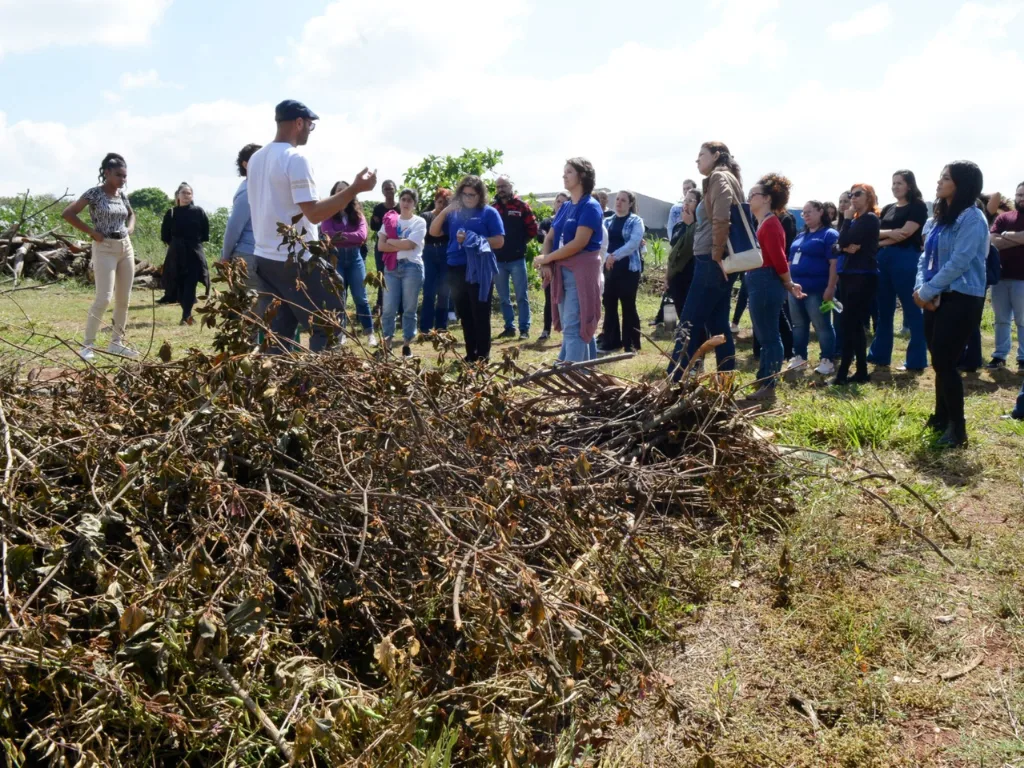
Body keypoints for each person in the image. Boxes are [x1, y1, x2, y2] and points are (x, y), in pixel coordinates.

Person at [246, 99, 377, 352]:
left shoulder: (256, 159)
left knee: (279, 332)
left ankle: (276, 382)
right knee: (328, 320)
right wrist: (354, 189)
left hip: (264, 257)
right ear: (298, 123)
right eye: (309, 125)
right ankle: (320, 384)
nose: (309, 130)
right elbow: (315, 213)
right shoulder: (295, 159)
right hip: (295, 259)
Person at [914, 162, 988, 448]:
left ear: (961, 183)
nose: (939, 181)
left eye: (946, 178)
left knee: (946, 360)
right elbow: (925, 258)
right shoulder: (936, 220)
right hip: (934, 295)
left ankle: (958, 429)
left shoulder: (973, 218)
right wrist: (921, 289)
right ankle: (940, 417)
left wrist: (930, 289)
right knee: (938, 361)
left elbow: (961, 260)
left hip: (962, 296)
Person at [667, 141, 743, 381]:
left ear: (716, 156)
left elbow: (722, 219)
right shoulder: (728, 178)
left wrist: (717, 255)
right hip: (716, 261)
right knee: (719, 326)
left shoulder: (720, 178)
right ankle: (725, 383)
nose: (697, 160)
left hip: (711, 262)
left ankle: (674, 381)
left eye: (701, 155)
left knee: (688, 323)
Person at [62, 153, 139, 361]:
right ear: (106, 173)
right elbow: (68, 213)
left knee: (124, 299)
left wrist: (129, 228)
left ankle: (116, 343)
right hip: (104, 248)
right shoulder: (94, 194)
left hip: (125, 248)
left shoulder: (122, 195)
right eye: (119, 175)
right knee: (104, 298)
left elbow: (131, 214)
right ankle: (87, 345)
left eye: (125, 176)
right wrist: (91, 232)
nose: (123, 180)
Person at [428, 175, 505, 363]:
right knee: (464, 312)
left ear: (480, 196)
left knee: (480, 311)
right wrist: (446, 210)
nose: (469, 198)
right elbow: (433, 231)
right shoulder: (454, 213)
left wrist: (473, 239)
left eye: (473, 195)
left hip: (479, 267)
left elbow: (499, 241)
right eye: (465, 194)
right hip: (456, 267)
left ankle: (483, 355)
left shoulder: (489, 213)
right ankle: (471, 353)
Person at [534, 158, 604, 363]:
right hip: (562, 271)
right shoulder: (565, 207)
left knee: (574, 327)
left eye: (569, 172)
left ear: (582, 176)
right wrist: (547, 263)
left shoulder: (590, 206)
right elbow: (549, 237)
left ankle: (572, 375)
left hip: (581, 272)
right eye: (564, 172)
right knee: (574, 325)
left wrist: (548, 258)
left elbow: (579, 243)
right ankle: (587, 373)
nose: (564, 175)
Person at [744, 174, 806, 401]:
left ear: (767, 199)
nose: (749, 199)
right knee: (764, 335)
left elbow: (779, 259)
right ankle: (763, 381)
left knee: (769, 337)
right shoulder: (764, 223)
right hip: (759, 281)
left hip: (766, 281)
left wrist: (789, 283)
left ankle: (769, 386)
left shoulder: (771, 224)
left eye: (753, 195)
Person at [866, 170, 930, 372]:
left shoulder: (917, 206)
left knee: (912, 311)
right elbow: (872, 233)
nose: (895, 187)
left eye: (899, 183)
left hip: (905, 259)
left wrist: (882, 240)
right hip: (882, 260)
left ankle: (916, 360)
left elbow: (905, 234)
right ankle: (879, 355)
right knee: (884, 309)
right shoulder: (888, 208)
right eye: (893, 183)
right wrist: (888, 236)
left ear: (909, 185)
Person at [833, 184, 881, 385]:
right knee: (853, 325)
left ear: (869, 196)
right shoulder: (855, 221)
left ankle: (843, 372)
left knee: (850, 324)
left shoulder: (869, 218)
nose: (853, 198)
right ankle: (861, 370)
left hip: (862, 275)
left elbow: (843, 240)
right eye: (851, 194)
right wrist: (843, 247)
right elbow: (838, 245)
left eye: (857, 194)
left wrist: (843, 238)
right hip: (848, 274)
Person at [320, 181, 377, 346]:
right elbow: (326, 234)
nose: (342, 193)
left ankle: (370, 333)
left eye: (345, 191)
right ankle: (341, 334)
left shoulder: (358, 214)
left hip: (354, 258)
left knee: (361, 297)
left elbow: (361, 236)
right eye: (339, 191)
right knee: (339, 297)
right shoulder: (328, 213)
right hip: (336, 258)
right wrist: (347, 236)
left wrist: (340, 236)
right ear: (334, 193)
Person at [787, 201, 839, 375]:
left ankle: (827, 359)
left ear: (820, 212)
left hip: (817, 288)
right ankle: (799, 356)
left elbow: (834, 263)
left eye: (810, 211)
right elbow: (790, 259)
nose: (806, 215)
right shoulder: (800, 236)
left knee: (821, 324)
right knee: (798, 325)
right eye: (803, 213)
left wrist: (831, 287)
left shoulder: (829, 234)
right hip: (796, 288)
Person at [378, 188, 426, 357]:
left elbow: (410, 245)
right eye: (403, 199)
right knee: (389, 308)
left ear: (414, 204)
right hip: (391, 268)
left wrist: (391, 241)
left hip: (411, 267)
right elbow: (380, 246)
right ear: (399, 201)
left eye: (409, 200)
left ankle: (406, 344)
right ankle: (387, 344)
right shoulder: (390, 220)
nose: (406, 203)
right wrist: (399, 242)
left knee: (409, 308)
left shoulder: (419, 222)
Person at [492, 176, 539, 340]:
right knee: (504, 297)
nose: (501, 189)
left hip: (517, 259)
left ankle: (524, 329)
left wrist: (520, 243)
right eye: (498, 187)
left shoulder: (521, 206)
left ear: (511, 187)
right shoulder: (493, 208)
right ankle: (509, 327)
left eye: (504, 186)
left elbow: (533, 228)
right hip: (498, 260)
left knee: (521, 296)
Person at [598, 191, 645, 353]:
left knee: (628, 305)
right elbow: (600, 242)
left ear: (630, 203)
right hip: (609, 268)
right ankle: (611, 341)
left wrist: (614, 256)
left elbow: (633, 243)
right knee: (609, 304)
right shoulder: (607, 221)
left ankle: (631, 343)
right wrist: (606, 258)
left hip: (628, 269)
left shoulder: (636, 221)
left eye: (623, 200)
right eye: (617, 199)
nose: (619, 202)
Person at [161, 183, 210, 326]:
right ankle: (186, 312)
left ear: (192, 196)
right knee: (178, 283)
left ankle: (186, 315)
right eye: (183, 193)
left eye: (189, 193)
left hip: (194, 252)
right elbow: (165, 235)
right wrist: (176, 245)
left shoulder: (199, 212)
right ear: (177, 195)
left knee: (191, 283)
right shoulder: (171, 213)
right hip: (176, 253)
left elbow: (205, 233)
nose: (186, 195)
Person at [988, 182, 1024, 373]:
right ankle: (1000, 355)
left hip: (1022, 279)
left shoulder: (1004, 224)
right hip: (1000, 277)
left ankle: (1023, 358)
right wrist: (1019, 238)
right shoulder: (1004, 218)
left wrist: (1007, 236)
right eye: (1019, 195)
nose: (1021, 199)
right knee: (1001, 319)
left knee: (1023, 320)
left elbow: (1000, 239)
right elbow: (993, 241)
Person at [419, 188, 453, 334]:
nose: (442, 205)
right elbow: (427, 235)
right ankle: (425, 327)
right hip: (429, 253)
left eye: (445, 203)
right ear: (435, 201)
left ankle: (441, 327)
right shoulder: (425, 216)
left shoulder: (450, 218)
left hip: (446, 253)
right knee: (429, 291)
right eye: (440, 202)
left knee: (444, 292)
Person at [537, 192, 569, 341]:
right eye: (558, 201)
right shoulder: (547, 222)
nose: (560, 204)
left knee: (565, 298)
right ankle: (546, 330)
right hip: (549, 264)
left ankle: (566, 330)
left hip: (566, 265)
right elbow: (540, 235)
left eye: (563, 202)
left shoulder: (570, 223)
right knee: (549, 298)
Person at [370, 180, 399, 313]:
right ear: (382, 191)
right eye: (386, 189)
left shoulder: (400, 207)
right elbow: (374, 226)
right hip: (381, 246)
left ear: (395, 190)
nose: (389, 191)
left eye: (391, 188)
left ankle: (398, 306)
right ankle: (381, 304)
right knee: (381, 273)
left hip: (397, 246)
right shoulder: (378, 208)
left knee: (397, 273)